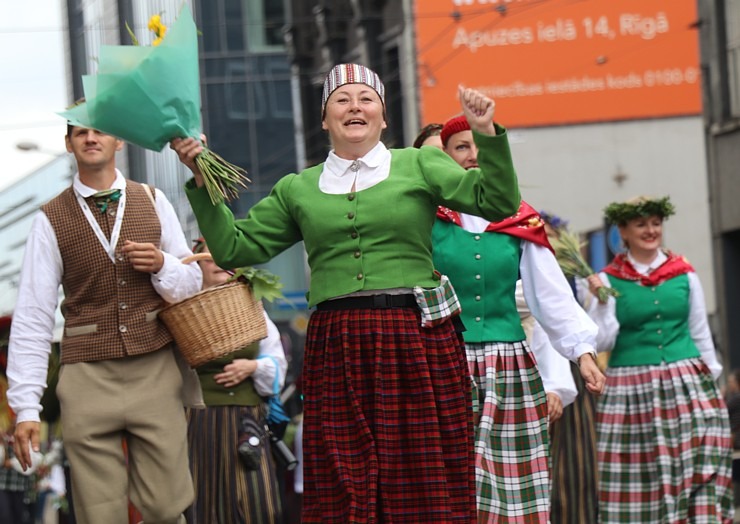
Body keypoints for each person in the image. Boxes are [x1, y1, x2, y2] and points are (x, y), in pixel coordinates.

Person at [171, 62, 521, 523]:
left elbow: (496, 202)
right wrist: (201, 175)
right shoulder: (297, 187)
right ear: (324, 118)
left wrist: (487, 133)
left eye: (365, 98)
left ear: (382, 116)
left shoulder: (419, 162)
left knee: (418, 465)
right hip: (338, 336)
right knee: (343, 471)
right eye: (342, 99)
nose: (354, 106)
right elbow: (235, 247)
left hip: (411, 333)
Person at [7, 124, 202, 524]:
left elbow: (191, 284)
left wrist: (163, 264)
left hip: (155, 369)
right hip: (86, 377)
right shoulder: (50, 218)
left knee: (167, 506)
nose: (90, 138)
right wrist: (26, 407)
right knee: (100, 514)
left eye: (100, 131)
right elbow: (33, 316)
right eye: (80, 132)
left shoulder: (153, 198)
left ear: (119, 140)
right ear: (68, 144)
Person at [431, 114, 605, 522]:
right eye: (461, 147)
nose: (473, 156)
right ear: (446, 158)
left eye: (480, 146)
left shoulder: (519, 219)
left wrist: (582, 352)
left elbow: (550, 295)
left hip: (507, 366)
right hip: (443, 362)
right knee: (454, 487)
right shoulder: (427, 219)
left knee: (513, 489)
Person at [584, 196, 734, 523]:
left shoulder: (684, 274)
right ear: (622, 231)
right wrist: (600, 303)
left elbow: (700, 332)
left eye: (655, 223)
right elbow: (601, 341)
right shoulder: (607, 280)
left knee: (699, 462)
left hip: (687, 385)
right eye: (641, 224)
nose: (651, 230)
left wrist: (713, 383)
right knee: (640, 474)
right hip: (630, 392)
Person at [185, 239, 287, 524]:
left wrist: (252, 366)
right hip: (199, 422)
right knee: (206, 505)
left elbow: (276, 360)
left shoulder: (250, 303)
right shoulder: (182, 308)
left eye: (224, 256)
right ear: (195, 266)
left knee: (260, 504)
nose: (219, 263)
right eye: (208, 257)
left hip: (246, 420)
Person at [538, 210, 601, 524]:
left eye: (550, 236)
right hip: (535, 363)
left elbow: (593, 328)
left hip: (573, 367)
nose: (545, 242)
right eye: (541, 235)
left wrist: (600, 297)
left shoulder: (574, 279)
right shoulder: (528, 270)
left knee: (576, 459)